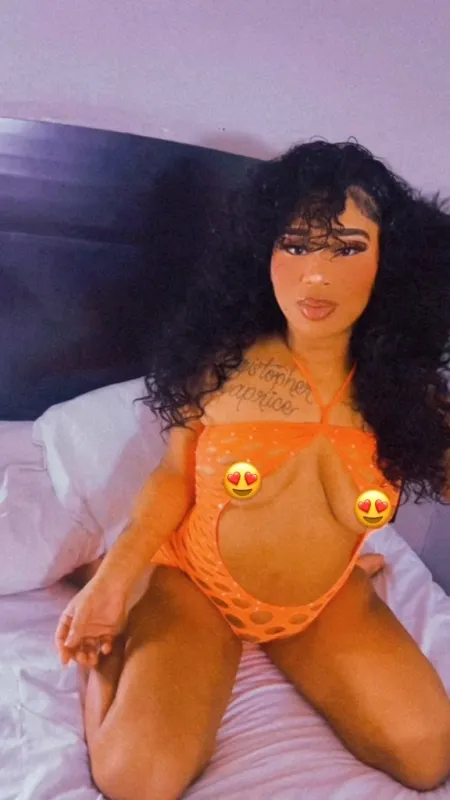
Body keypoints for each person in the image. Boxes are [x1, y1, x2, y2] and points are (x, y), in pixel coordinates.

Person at [56, 140, 450, 799]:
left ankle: (354, 578)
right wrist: (114, 581)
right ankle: (115, 652)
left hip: (318, 605)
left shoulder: (408, 395)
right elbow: (173, 477)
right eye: (295, 244)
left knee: (429, 756)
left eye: (347, 248)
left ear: (391, 261)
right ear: (262, 252)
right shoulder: (222, 364)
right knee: (135, 783)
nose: (315, 274)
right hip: (198, 587)